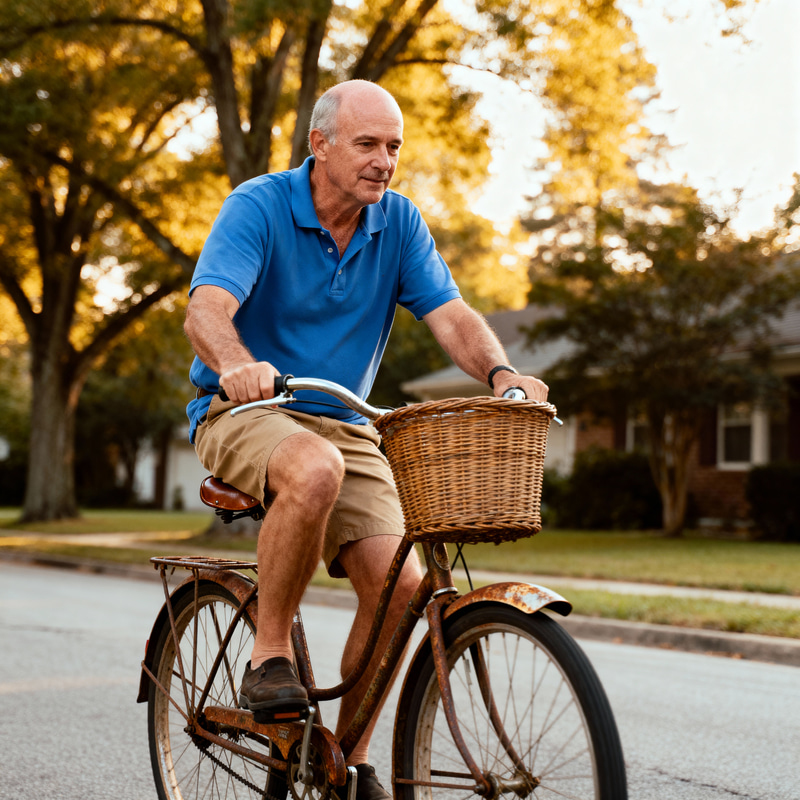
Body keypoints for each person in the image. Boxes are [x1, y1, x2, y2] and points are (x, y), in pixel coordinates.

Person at [184, 79, 548, 800]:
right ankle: (269, 655)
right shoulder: (258, 206)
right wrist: (235, 366)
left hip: (346, 419)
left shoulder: (399, 224)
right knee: (311, 467)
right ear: (320, 145)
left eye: (394, 147)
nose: (385, 161)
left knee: (403, 589)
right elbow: (207, 309)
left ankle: (338, 766)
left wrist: (502, 372)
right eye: (368, 145)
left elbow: (451, 316)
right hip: (244, 410)